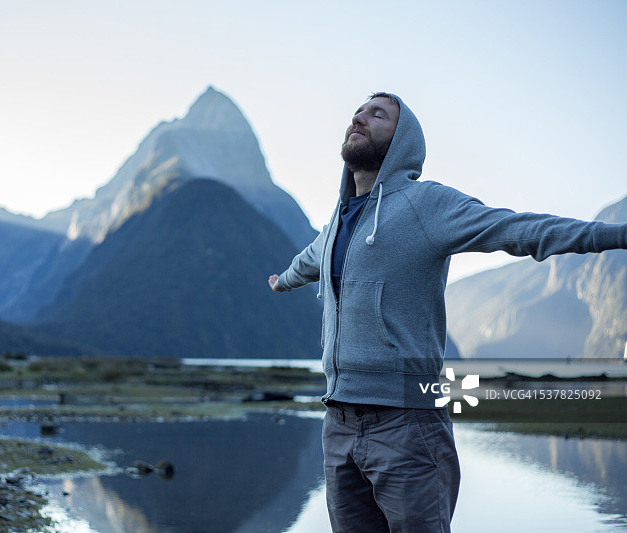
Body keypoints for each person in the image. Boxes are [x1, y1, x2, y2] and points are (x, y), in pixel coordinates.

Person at [268, 92, 627, 533]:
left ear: (402, 141)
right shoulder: (338, 223)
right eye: (358, 112)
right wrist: (284, 279)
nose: (360, 117)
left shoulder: (427, 206)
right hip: (337, 425)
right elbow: (310, 259)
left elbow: (514, 228)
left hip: (407, 426)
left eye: (377, 114)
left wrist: (615, 235)